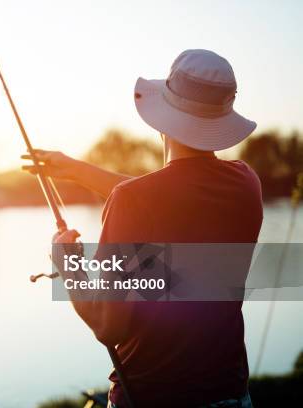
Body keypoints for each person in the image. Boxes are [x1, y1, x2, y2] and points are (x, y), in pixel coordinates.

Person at [22, 49, 262, 407]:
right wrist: (75, 169)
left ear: (162, 119)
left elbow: (108, 324)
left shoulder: (134, 200)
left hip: (152, 397)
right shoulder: (245, 183)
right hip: (230, 394)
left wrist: (67, 263)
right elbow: (167, 197)